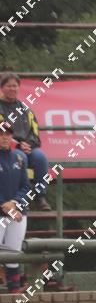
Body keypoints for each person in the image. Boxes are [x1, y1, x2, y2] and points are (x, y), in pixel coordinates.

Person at [0, 72, 51, 210]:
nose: (12, 89)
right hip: (6, 149)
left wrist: (29, 145)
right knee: (20, 157)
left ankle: (40, 197)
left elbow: (35, 133)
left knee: (40, 157)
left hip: (27, 147)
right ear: (1, 87)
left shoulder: (25, 109)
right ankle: (19, 201)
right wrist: (17, 145)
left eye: (15, 86)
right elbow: (2, 133)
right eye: (9, 86)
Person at [0, 120, 30, 293]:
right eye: (1, 134)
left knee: (13, 253)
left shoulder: (20, 157)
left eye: (8, 134)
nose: (4, 137)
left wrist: (15, 203)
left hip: (18, 212)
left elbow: (26, 186)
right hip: (3, 212)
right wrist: (5, 206)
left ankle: (14, 292)